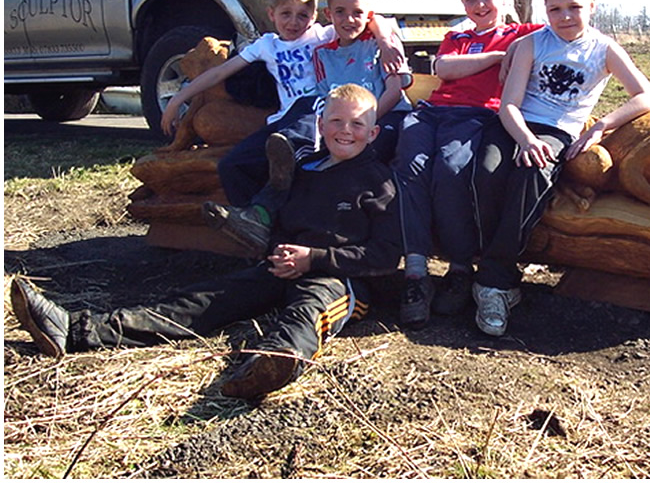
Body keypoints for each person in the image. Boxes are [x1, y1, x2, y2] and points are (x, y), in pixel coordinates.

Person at [11, 85, 403, 403]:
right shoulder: (303, 171)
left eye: (356, 124)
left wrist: (314, 259)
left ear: (372, 133)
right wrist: (278, 251)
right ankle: (74, 330)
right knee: (197, 301)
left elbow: (385, 255)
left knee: (306, 315)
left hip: (338, 280)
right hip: (281, 267)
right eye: (336, 120)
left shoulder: (378, 182)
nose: (345, 130)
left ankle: (270, 366)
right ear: (320, 124)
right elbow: (281, 221)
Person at [472, 0, 650, 336]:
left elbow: (647, 96)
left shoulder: (604, 49)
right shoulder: (532, 45)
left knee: (531, 174)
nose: (565, 17)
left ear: (592, 6)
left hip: (558, 131)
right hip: (515, 125)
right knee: (486, 170)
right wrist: (525, 138)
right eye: (555, 9)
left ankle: (493, 283)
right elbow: (508, 104)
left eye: (574, 7)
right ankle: (481, 269)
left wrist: (603, 125)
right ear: (545, 9)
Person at [160, 0, 402, 255]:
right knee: (232, 166)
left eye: (302, 15)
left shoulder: (322, 35)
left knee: (299, 150)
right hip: (285, 122)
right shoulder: (267, 45)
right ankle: (259, 231)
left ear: (314, 17)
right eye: (286, 14)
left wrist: (384, 40)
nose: (294, 22)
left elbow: (368, 16)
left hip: (317, 114)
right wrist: (179, 97)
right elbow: (219, 72)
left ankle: (276, 214)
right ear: (271, 14)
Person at [392, 0, 543, 329]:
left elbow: (570, 31)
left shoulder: (525, 34)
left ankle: (460, 267)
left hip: (476, 117)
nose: (479, 5)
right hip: (431, 113)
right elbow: (444, 68)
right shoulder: (457, 38)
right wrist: (495, 58)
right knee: (410, 165)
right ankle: (415, 272)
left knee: (451, 169)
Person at [313, 0, 414, 164]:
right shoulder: (322, 55)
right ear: (328, 14)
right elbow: (324, 98)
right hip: (345, 126)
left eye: (357, 13)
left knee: (369, 150)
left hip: (386, 116)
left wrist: (366, 123)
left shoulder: (381, 45)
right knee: (324, 153)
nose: (349, 20)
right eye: (340, 12)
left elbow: (393, 92)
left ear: (369, 16)